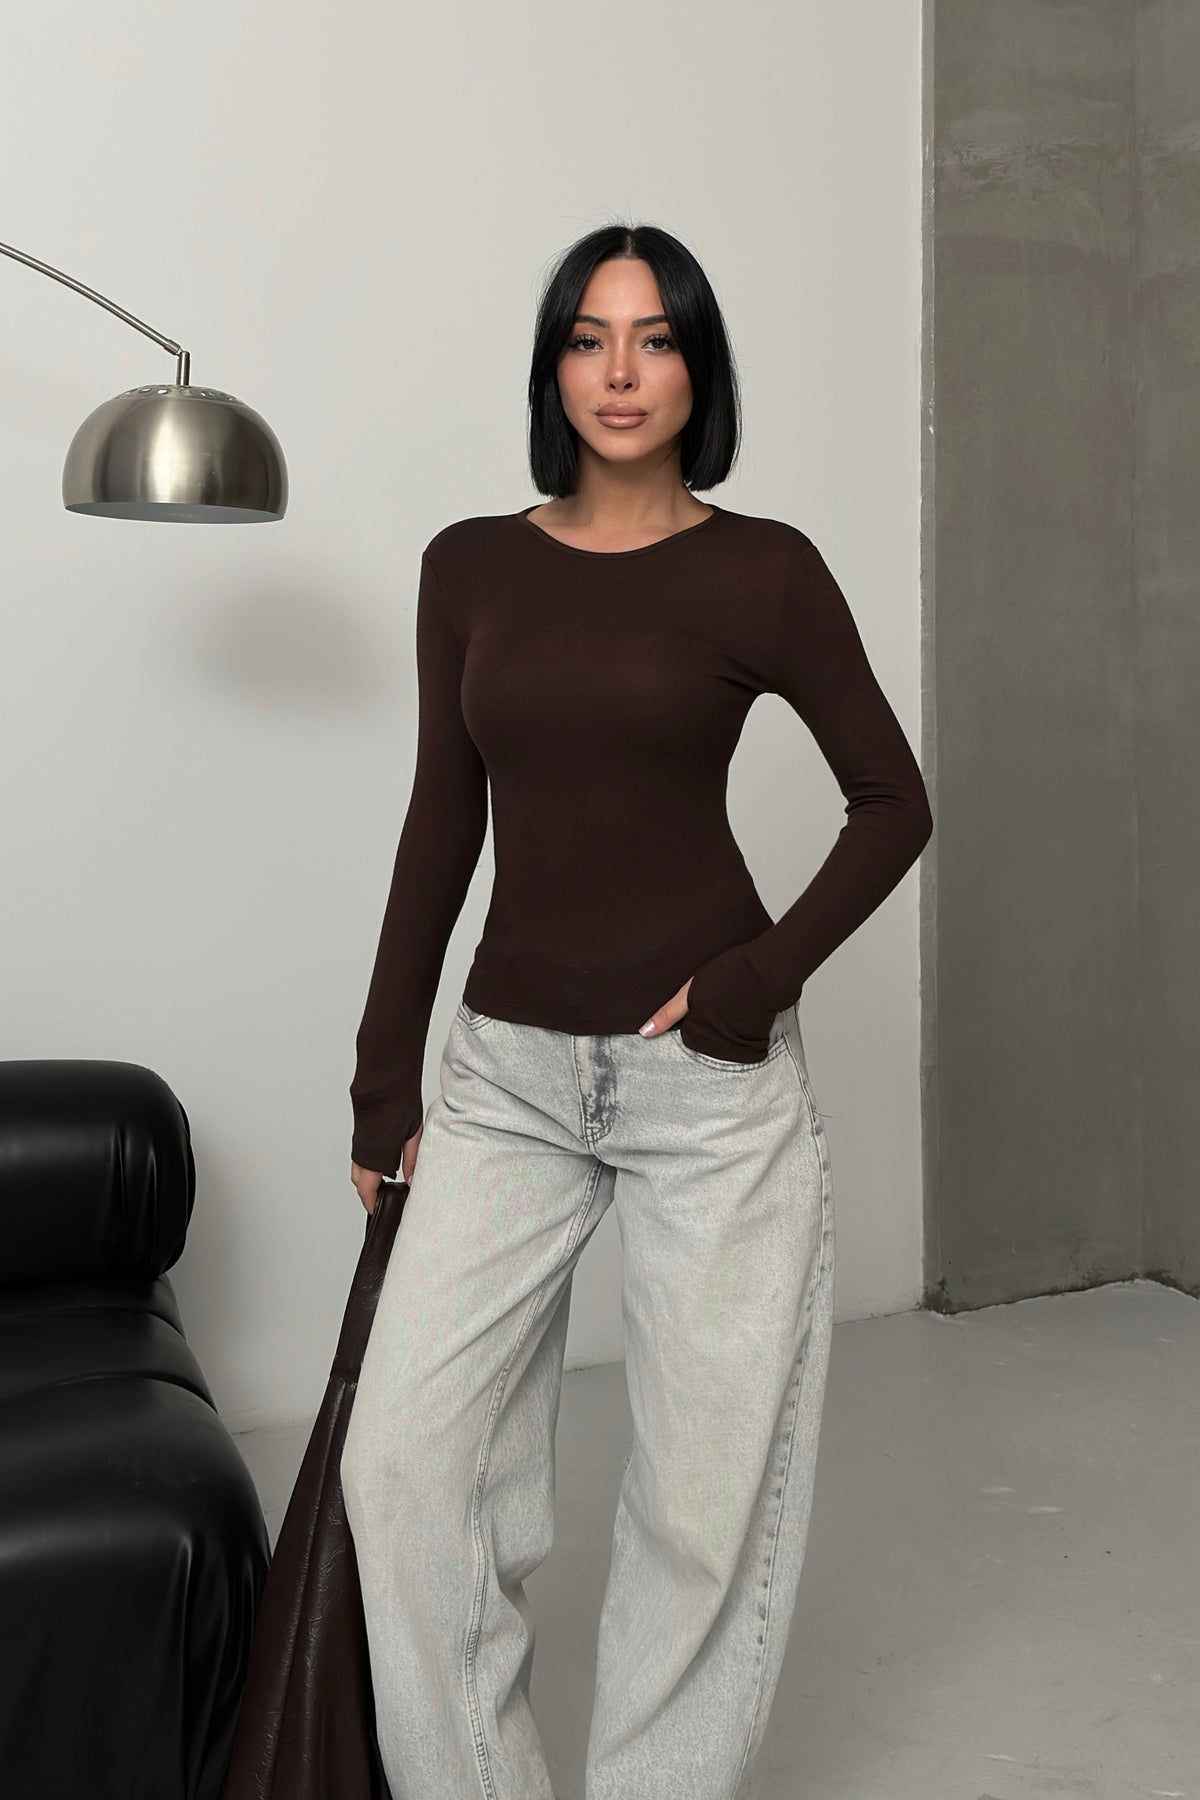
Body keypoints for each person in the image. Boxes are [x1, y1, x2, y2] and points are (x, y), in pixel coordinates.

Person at [339, 220, 933, 1800]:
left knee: (698, 1511)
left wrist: (753, 980)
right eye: (590, 338)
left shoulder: (764, 569)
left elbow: (893, 802)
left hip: (708, 1086)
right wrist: (382, 1082)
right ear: (551, 368)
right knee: (402, 1467)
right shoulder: (470, 566)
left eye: (656, 338)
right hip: (507, 1080)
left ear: (696, 371)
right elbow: (439, 823)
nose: (620, 370)